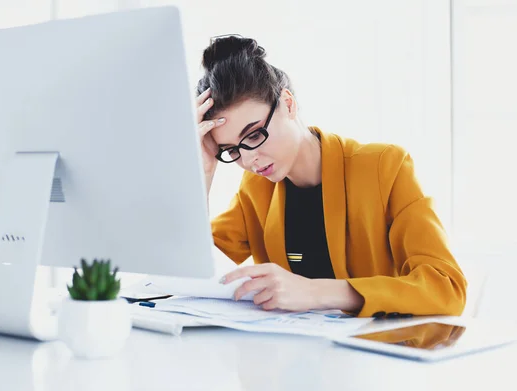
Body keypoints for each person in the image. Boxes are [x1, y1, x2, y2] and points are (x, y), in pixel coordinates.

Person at [195, 35, 466, 317]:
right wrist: (201, 173)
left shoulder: (385, 167)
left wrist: (315, 292)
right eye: (231, 150)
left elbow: (447, 289)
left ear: (288, 104)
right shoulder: (256, 188)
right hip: (290, 352)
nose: (248, 159)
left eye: (253, 135)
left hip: (377, 354)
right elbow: (194, 271)